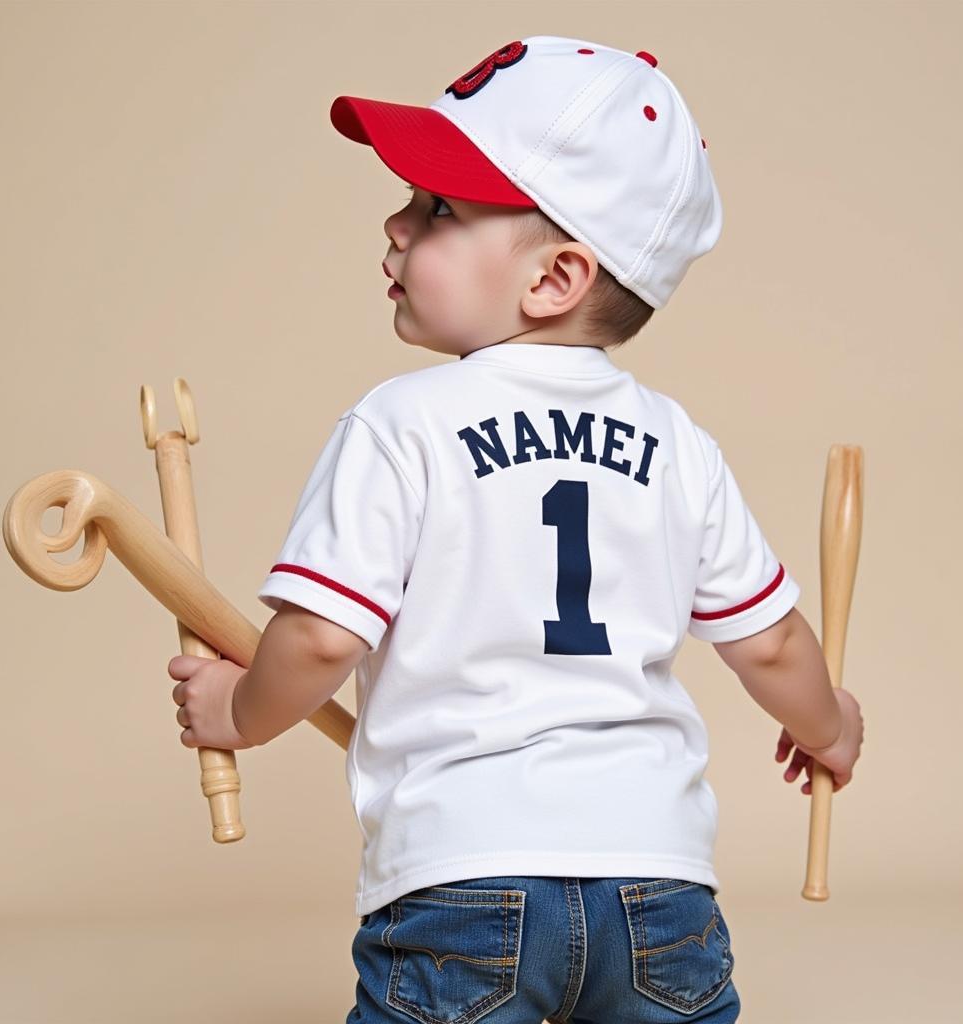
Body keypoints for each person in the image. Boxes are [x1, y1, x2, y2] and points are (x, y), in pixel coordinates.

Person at [166, 35, 864, 1023]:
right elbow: (775, 643)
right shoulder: (677, 444)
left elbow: (323, 635)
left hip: (462, 884)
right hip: (657, 891)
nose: (396, 221)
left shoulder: (397, 423)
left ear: (556, 277)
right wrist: (828, 725)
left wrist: (238, 710)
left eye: (438, 209)